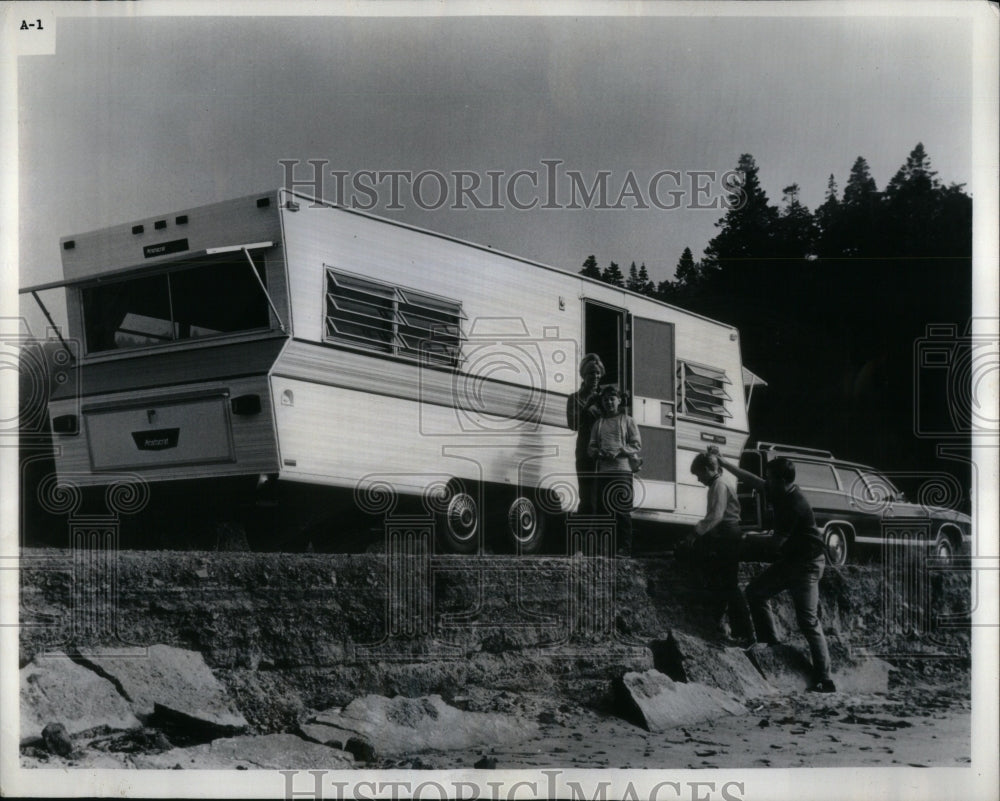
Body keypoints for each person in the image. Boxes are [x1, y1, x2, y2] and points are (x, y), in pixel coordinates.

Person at [709, 446, 836, 693]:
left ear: (781, 480)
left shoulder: (795, 505)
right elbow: (751, 479)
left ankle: (825, 678)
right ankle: (772, 643)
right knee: (756, 593)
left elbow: (776, 543)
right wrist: (724, 462)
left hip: (808, 565)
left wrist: (748, 539)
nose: (765, 481)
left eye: (769, 477)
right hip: (791, 561)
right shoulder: (777, 488)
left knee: (808, 621)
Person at [689, 452, 754, 644]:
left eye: (699, 474)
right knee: (724, 582)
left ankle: (745, 632)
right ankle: (726, 625)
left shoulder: (719, 485)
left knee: (729, 584)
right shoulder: (721, 483)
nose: (699, 479)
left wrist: (696, 533)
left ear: (709, 469)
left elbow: (716, 515)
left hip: (727, 535)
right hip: (727, 534)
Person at [588, 384, 641, 557]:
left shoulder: (628, 420)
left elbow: (636, 444)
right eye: (605, 400)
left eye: (612, 399)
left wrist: (620, 451)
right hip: (604, 471)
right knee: (604, 510)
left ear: (619, 400)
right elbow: (591, 446)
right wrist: (599, 453)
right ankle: (605, 548)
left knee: (621, 510)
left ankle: (625, 548)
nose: (609, 403)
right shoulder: (599, 423)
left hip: (622, 470)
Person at [566, 354, 605, 515]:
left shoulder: (606, 398)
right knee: (587, 498)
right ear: (584, 375)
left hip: (605, 454)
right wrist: (587, 407)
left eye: (597, 373)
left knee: (603, 499)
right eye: (591, 373)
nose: (595, 377)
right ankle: (584, 537)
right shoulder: (574, 398)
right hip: (585, 454)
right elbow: (573, 424)